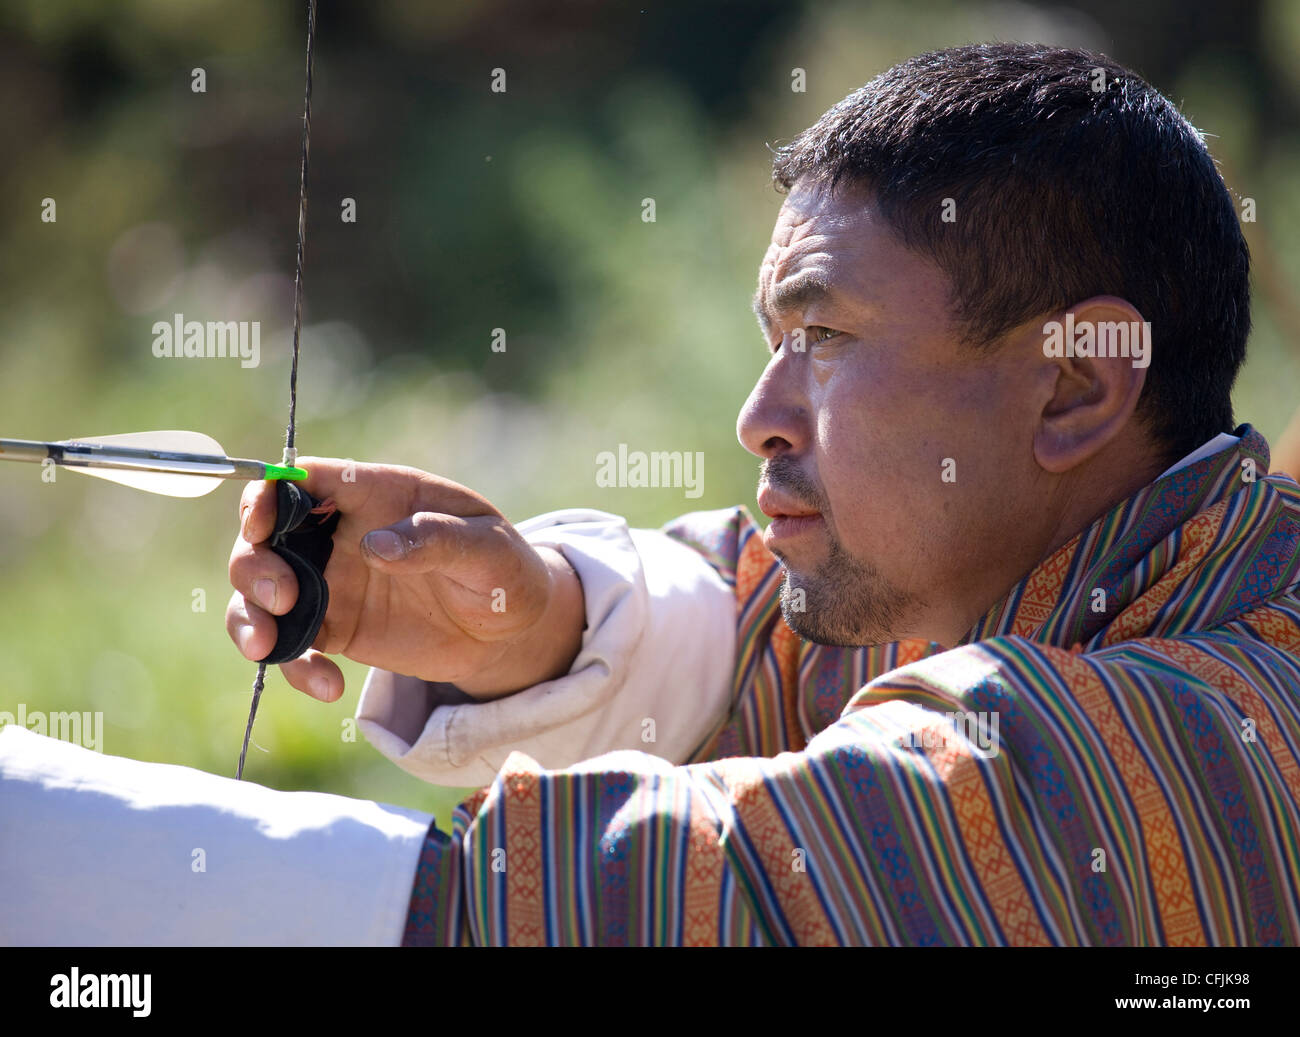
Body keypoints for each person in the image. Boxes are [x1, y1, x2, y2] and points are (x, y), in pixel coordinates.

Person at [5, 41, 1298, 946]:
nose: (759, 415)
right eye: (771, 340)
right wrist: (546, 625)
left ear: (1074, 386)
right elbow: (772, 635)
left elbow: (679, 897)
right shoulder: (1075, 570)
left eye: (828, 339)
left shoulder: (1198, 744)